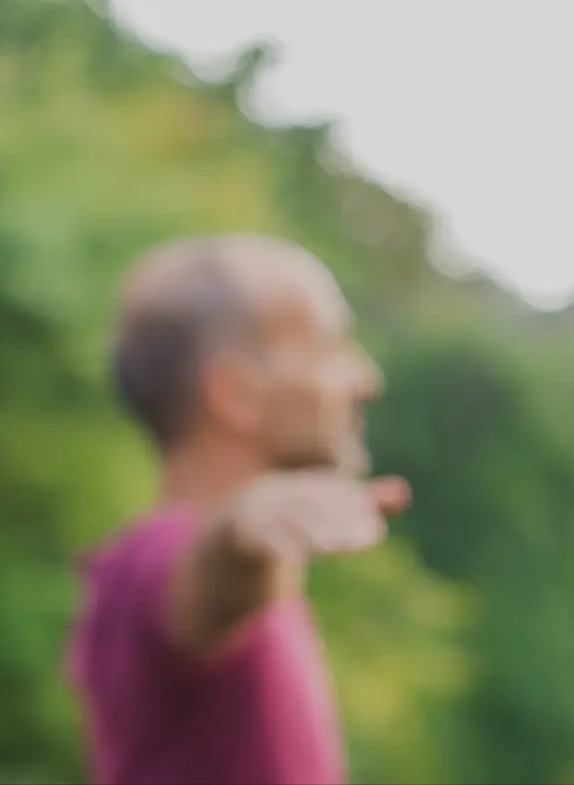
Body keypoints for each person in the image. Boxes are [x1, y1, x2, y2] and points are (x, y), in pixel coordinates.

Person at [66, 234, 412, 785]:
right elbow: (207, 575)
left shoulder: (256, 586)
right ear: (237, 394)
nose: (366, 381)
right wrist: (240, 530)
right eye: (330, 345)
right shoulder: (151, 563)